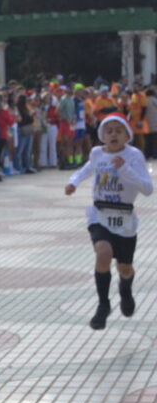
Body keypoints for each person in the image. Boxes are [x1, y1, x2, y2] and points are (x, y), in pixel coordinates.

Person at [65, 114, 154, 330]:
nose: (113, 134)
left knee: (124, 268)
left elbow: (148, 189)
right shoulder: (97, 153)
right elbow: (87, 169)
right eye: (109, 130)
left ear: (127, 135)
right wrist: (73, 182)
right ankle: (103, 305)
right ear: (102, 135)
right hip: (100, 214)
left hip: (124, 218)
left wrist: (124, 169)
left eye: (118, 130)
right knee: (103, 253)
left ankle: (125, 288)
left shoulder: (134, 156)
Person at [14, 94, 36, 173]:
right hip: (22, 130)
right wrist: (31, 117)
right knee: (20, 150)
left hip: (28, 130)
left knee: (28, 150)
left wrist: (31, 116)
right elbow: (23, 120)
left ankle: (27, 166)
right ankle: (18, 167)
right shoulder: (19, 109)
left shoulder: (26, 108)